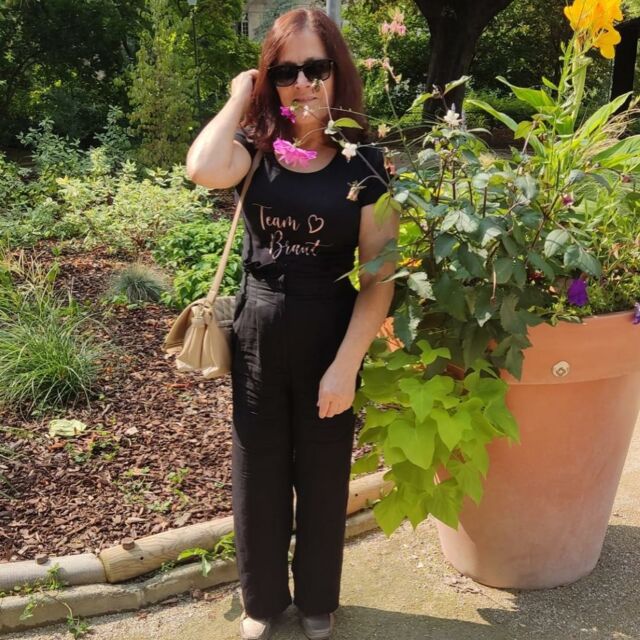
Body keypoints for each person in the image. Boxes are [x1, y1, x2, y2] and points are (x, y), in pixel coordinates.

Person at [186, 8, 398, 640]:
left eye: (315, 68)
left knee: (325, 474)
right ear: (269, 80)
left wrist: (347, 365)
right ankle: (262, 601)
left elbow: (379, 277)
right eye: (285, 72)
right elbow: (202, 167)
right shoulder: (255, 148)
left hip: (329, 334)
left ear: (337, 72)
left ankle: (317, 600)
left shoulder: (363, 163)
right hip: (257, 332)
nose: (302, 83)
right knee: (258, 473)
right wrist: (240, 96)